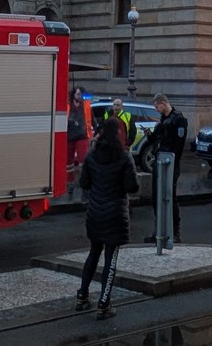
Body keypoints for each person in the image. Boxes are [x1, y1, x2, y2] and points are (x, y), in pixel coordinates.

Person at [76, 117, 139, 319]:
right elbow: (132, 187)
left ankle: (82, 296)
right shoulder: (124, 156)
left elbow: (83, 183)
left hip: (95, 213)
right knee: (111, 260)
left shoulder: (92, 156)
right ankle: (104, 304)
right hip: (115, 215)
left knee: (93, 253)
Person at [143, 92, 189, 245]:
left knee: (170, 198)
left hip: (170, 164)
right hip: (159, 162)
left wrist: (171, 161)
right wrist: (149, 134)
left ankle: (175, 232)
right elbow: (155, 139)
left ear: (163, 103)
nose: (156, 110)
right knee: (157, 198)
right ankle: (158, 232)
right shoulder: (163, 120)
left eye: (157, 106)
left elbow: (178, 146)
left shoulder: (179, 120)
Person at [67, 86, 91, 180]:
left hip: (82, 135)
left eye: (81, 94)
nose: (79, 96)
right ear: (73, 95)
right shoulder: (68, 105)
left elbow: (91, 118)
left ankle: (83, 180)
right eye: (78, 94)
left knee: (82, 159)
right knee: (69, 161)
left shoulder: (86, 105)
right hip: (69, 136)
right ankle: (70, 181)